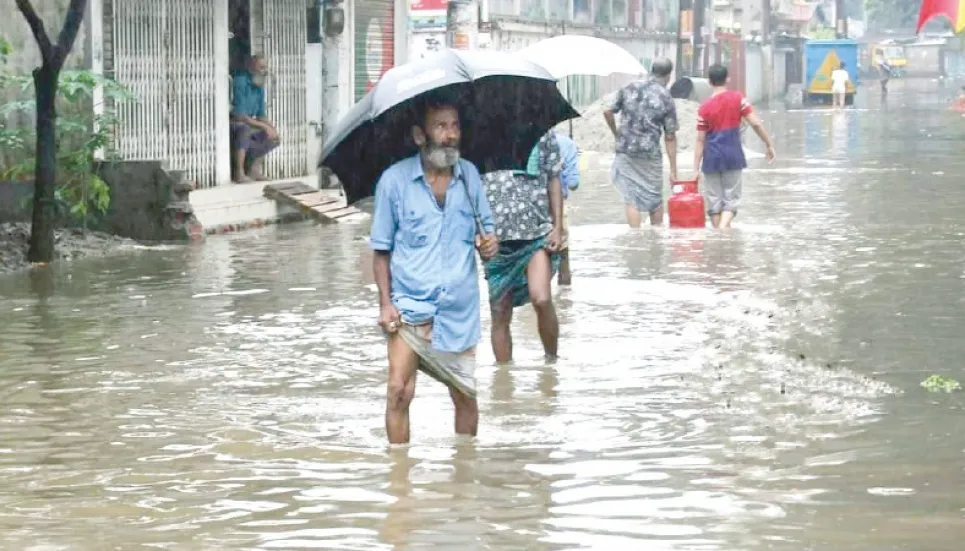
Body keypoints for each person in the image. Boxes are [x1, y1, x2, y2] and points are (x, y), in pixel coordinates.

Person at [369, 91, 499, 444]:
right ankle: (399, 484)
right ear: (419, 135)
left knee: (465, 397)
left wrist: (489, 245)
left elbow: (489, 241)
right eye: (440, 126)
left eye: (455, 125)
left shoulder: (469, 177)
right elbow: (381, 251)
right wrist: (385, 303)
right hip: (410, 309)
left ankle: (464, 479)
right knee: (398, 391)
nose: (451, 134)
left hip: (458, 312)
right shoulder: (393, 183)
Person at [483, 131, 565, 363]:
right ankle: (504, 379)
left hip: (536, 232)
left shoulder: (542, 131)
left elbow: (554, 177)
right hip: (495, 238)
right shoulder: (480, 131)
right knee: (500, 313)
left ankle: (551, 363)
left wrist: (558, 226)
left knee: (542, 299)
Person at [693, 64, 776, 229]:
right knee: (731, 200)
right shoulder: (738, 99)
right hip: (732, 155)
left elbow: (700, 140)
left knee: (714, 201)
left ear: (709, 82)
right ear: (728, 79)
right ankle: (723, 232)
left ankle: (720, 240)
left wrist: (695, 168)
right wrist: (769, 144)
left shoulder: (704, 108)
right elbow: (756, 124)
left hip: (711, 158)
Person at [603, 57, 679, 228]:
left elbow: (607, 112)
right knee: (655, 200)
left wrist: (617, 134)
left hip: (626, 151)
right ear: (668, 76)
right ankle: (655, 240)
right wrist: (673, 170)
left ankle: (635, 239)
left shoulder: (629, 87)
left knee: (631, 199)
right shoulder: (666, 96)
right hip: (650, 155)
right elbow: (670, 136)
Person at [231, 55, 280, 183]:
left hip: (249, 120)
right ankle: (239, 173)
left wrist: (272, 128)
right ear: (251, 68)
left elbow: (261, 115)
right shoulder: (241, 82)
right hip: (235, 122)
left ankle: (254, 170)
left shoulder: (259, 86)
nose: (265, 71)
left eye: (266, 67)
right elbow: (240, 115)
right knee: (244, 130)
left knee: (273, 138)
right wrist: (264, 126)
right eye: (261, 68)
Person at [554, 130, 580, 286]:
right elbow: (573, 184)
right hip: (558, 207)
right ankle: (564, 301)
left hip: (528, 209)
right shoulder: (566, 144)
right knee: (563, 257)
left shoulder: (519, 141)